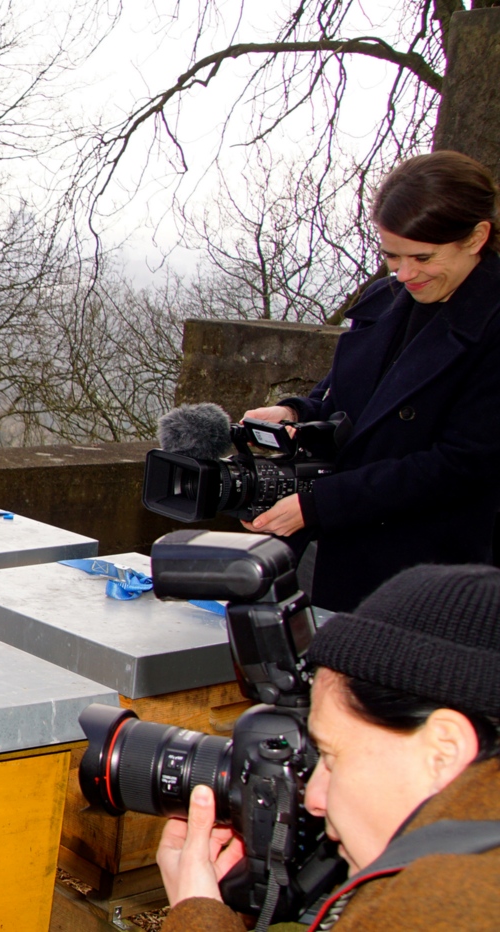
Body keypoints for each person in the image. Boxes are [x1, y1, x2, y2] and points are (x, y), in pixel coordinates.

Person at [157, 562, 500, 931]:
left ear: (444, 751)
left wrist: (196, 915)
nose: (314, 798)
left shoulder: (436, 905)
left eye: (332, 758)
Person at [240, 151, 500, 612]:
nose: (405, 274)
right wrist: (298, 412)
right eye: (391, 255)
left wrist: (321, 504)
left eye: (423, 256)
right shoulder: (386, 299)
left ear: (477, 237)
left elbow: (462, 465)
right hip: (334, 553)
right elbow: (350, 397)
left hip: (431, 577)